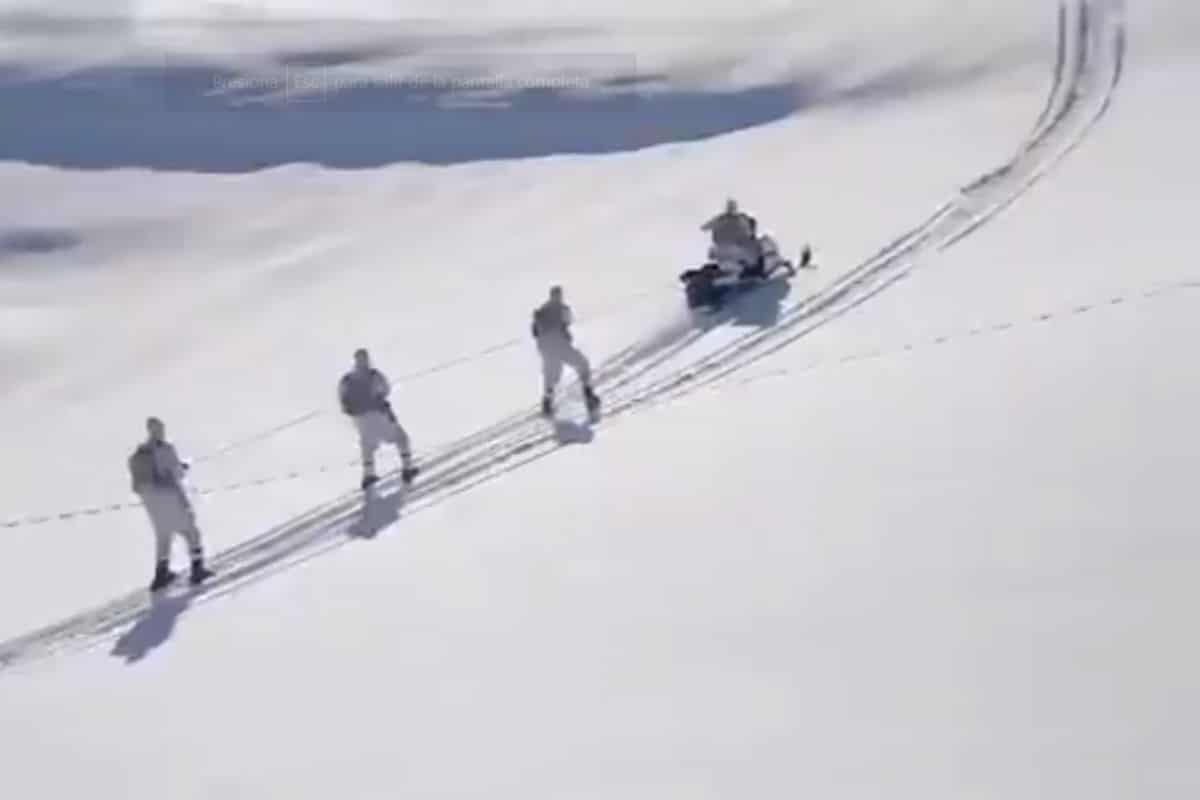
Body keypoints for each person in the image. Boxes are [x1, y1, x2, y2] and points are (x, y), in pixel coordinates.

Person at [128, 417, 214, 592]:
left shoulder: (141, 454)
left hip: (154, 508)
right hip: (171, 499)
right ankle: (197, 569)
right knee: (192, 532)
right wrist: (182, 467)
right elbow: (177, 472)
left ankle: (161, 575)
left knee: (163, 538)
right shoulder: (165, 449)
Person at [338, 347, 419, 490]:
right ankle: (407, 469)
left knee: (367, 446)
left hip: (360, 419)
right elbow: (386, 389)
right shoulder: (374, 375)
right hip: (377, 415)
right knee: (401, 438)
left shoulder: (346, 380)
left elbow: (343, 401)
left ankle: (368, 475)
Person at [531, 286, 600, 417]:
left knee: (551, 374)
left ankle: (547, 403)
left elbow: (534, 332)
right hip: (559, 345)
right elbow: (567, 322)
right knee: (582, 363)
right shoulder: (563, 308)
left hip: (545, 348)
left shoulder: (541, 311)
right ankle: (589, 396)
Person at [701, 197, 762, 275]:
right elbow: (748, 232)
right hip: (731, 249)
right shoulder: (738, 219)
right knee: (748, 259)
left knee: (745, 258)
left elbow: (704, 227)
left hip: (726, 249)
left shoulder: (722, 219)